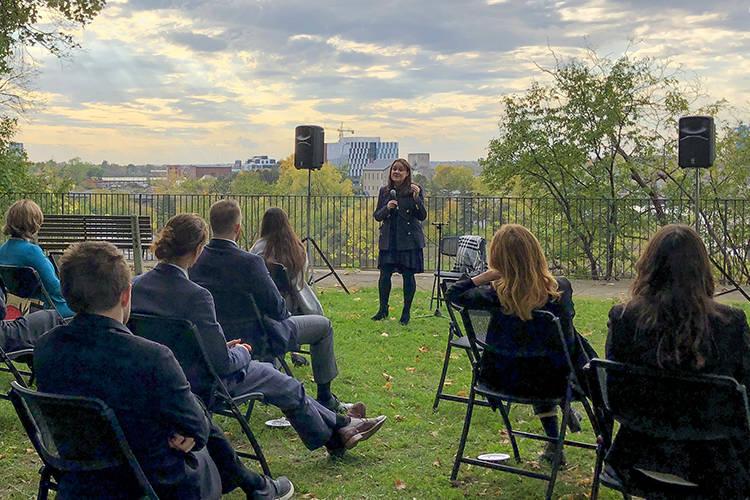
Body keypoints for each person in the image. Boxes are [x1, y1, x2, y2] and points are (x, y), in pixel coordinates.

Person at [33, 241, 293, 500]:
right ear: (126, 295)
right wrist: (187, 430)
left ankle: (256, 485)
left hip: (79, 480)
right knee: (199, 419)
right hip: (154, 483)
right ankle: (256, 486)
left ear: (65, 292)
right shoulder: (151, 357)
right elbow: (198, 431)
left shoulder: (45, 348)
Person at [131, 213, 386, 457]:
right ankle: (340, 429)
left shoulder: (136, 287)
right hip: (204, 383)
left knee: (287, 385)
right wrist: (240, 352)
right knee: (284, 383)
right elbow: (222, 363)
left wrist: (221, 346)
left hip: (158, 384)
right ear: (198, 249)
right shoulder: (196, 296)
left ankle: (340, 430)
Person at [606, 224, 750, 497]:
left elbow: (615, 393)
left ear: (649, 266)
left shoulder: (625, 319)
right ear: (702, 269)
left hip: (639, 456)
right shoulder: (730, 324)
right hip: (716, 467)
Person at [445, 224, 593, 463]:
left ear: (498, 260)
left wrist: (485, 276)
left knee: (532, 362)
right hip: (555, 382)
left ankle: (555, 443)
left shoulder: (494, 296)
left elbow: (453, 295)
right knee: (547, 359)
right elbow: (567, 341)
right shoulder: (560, 290)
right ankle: (562, 437)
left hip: (501, 379)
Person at [192, 200, 346, 412]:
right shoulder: (250, 263)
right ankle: (325, 398)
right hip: (261, 336)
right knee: (324, 326)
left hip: (218, 338)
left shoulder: (196, 263)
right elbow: (278, 310)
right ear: (237, 228)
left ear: (211, 225)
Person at [371, 158, 426, 326]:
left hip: (408, 241)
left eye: (401, 169)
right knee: (384, 275)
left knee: (408, 276)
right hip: (389, 240)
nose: (396, 172)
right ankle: (383, 309)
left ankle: (406, 313)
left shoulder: (414, 190)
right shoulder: (385, 191)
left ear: (407, 173)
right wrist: (387, 208)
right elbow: (377, 216)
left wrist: (416, 199)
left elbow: (422, 216)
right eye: (394, 169)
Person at [0, 199, 74, 318]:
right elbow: (55, 287)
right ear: (34, 222)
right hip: (48, 308)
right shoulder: (32, 251)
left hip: (19, 308)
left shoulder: (3, 249)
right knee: (90, 309)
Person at [250, 206, 324, 316]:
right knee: (325, 326)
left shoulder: (258, 248)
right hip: (297, 307)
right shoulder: (298, 248)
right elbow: (301, 276)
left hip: (266, 308)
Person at [0, 287, 62, 352]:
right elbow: (2, 312)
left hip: (6, 334)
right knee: (52, 317)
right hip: (7, 337)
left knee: (51, 316)